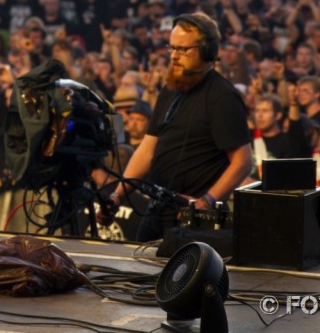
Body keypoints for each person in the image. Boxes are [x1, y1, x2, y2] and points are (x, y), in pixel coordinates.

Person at [107, 13, 252, 242]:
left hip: (195, 222)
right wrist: (117, 196)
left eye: (183, 50)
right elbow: (147, 150)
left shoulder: (222, 97)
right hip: (157, 213)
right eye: (172, 48)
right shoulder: (170, 89)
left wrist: (206, 201)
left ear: (207, 51)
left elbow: (243, 161)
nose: (174, 56)